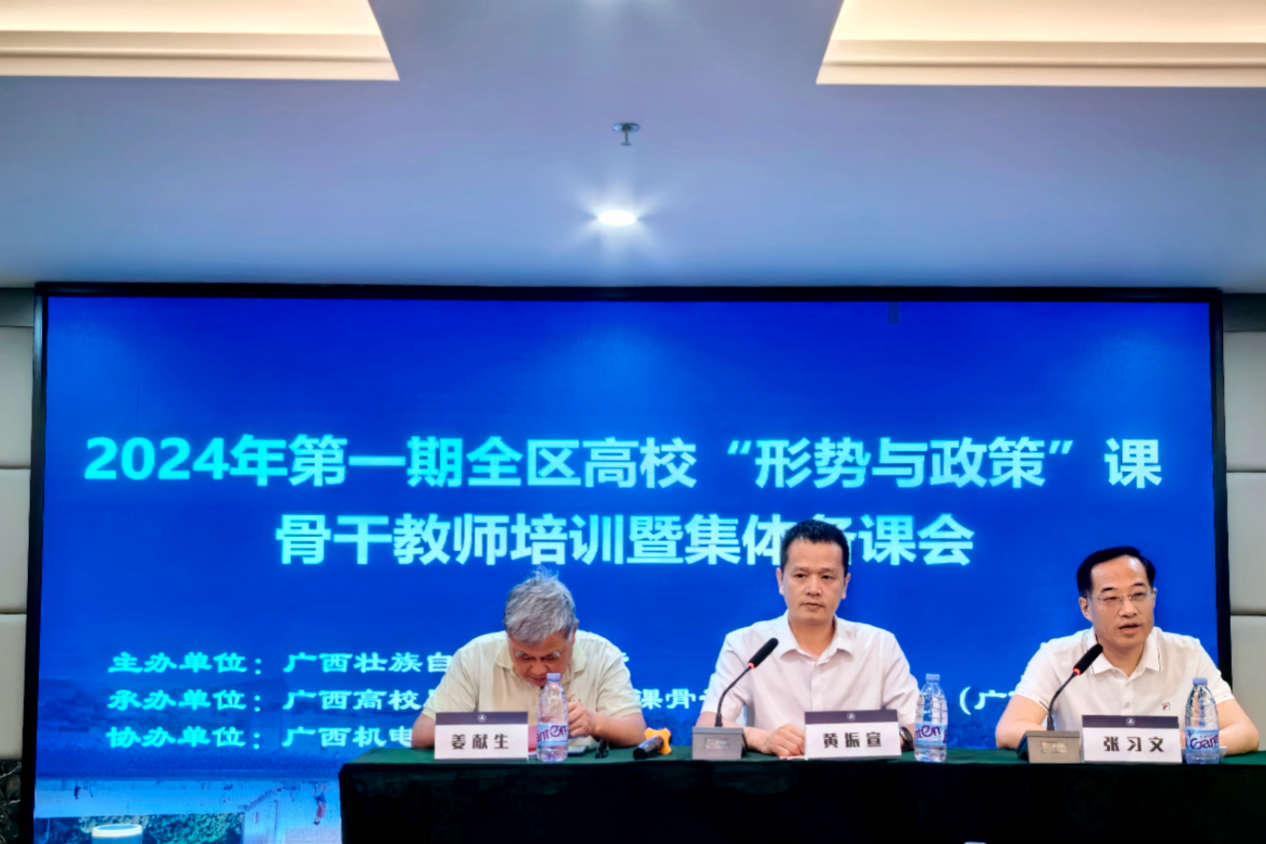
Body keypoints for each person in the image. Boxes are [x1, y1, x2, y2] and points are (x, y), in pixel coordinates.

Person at [995, 546, 1259, 754]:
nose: (1129, 609)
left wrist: (1187, 744)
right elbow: (1010, 729)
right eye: (1111, 598)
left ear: (1153, 598)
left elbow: (1245, 733)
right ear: (1086, 608)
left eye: (1138, 595)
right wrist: (1093, 747)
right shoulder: (1058, 656)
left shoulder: (1187, 653)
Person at [697, 518, 919, 757]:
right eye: (801, 575)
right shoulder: (746, 644)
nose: (813, 589)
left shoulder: (879, 645)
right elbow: (708, 727)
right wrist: (763, 739)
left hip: (860, 778)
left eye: (827, 577)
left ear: (845, 584)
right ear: (781, 580)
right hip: (775, 778)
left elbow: (922, 727)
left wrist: (883, 739)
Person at [411, 569, 646, 749]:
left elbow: (636, 732)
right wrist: (504, 732)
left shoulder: (602, 654)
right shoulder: (474, 656)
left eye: (551, 656)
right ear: (508, 634)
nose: (538, 669)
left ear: (573, 632)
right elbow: (422, 734)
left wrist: (594, 723)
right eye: (523, 656)